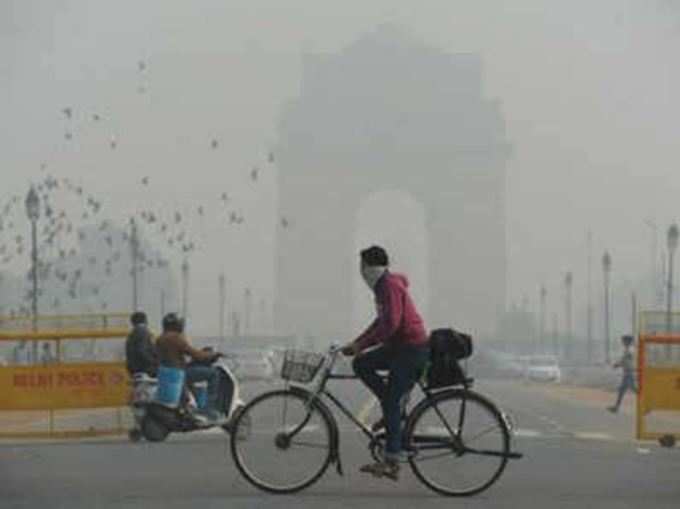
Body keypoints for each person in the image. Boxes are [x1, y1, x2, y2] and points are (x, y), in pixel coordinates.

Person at [341, 245, 429, 481]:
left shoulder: (388, 286)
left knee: (391, 399)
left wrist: (361, 344)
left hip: (410, 349)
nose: (360, 272)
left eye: (362, 266)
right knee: (361, 364)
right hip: (400, 347)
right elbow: (381, 322)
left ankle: (392, 459)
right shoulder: (383, 286)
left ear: (370, 267)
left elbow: (389, 325)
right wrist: (357, 343)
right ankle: (393, 409)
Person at [155, 313, 222, 420]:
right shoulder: (176, 338)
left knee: (193, 379)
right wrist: (213, 355)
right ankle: (209, 408)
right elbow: (196, 354)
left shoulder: (160, 339)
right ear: (176, 325)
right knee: (214, 374)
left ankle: (194, 405)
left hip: (167, 372)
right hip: (179, 372)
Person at [608, 334, 637, 413]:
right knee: (622, 390)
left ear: (627, 341)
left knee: (635, 390)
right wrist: (618, 364)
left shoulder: (630, 350)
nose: (622, 342)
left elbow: (625, 361)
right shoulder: (628, 350)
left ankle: (646, 402)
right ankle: (616, 407)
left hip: (629, 373)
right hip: (627, 373)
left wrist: (617, 365)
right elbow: (624, 360)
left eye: (623, 341)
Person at [125, 311, 158, 377]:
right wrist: (154, 361)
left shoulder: (131, 334)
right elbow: (142, 350)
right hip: (145, 369)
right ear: (145, 320)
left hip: (134, 369)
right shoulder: (143, 332)